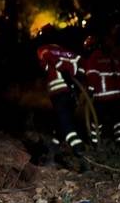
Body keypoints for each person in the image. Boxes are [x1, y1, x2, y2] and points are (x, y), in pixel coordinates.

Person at [36, 26, 86, 155]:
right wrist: (77, 76)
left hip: (58, 90)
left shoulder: (43, 49)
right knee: (62, 118)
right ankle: (53, 147)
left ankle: (77, 145)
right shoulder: (68, 52)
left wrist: (61, 68)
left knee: (64, 118)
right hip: (73, 92)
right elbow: (81, 65)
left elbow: (49, 61)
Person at [81, 34, 120, 148]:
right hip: (119, 96)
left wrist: (89, 91)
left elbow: (92, 75)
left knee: (96, 121)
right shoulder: (112, 56)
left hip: (103, 96)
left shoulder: (94, 57)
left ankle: (95, 145)